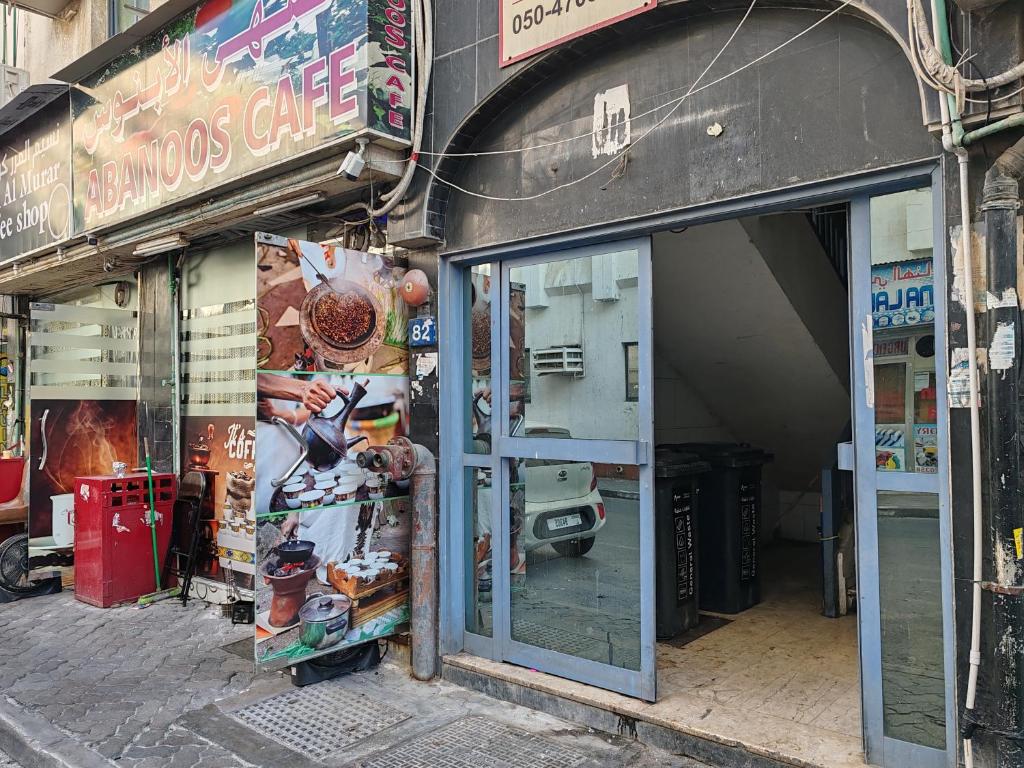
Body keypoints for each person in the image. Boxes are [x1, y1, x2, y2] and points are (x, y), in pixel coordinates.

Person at [256, 373, 357, 583]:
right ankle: (317, 555)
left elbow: (315, 408)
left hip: (297, 436)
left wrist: (284, 413)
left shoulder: (323, 382)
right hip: (278, 439)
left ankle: (331, 559)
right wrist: (299, 394)